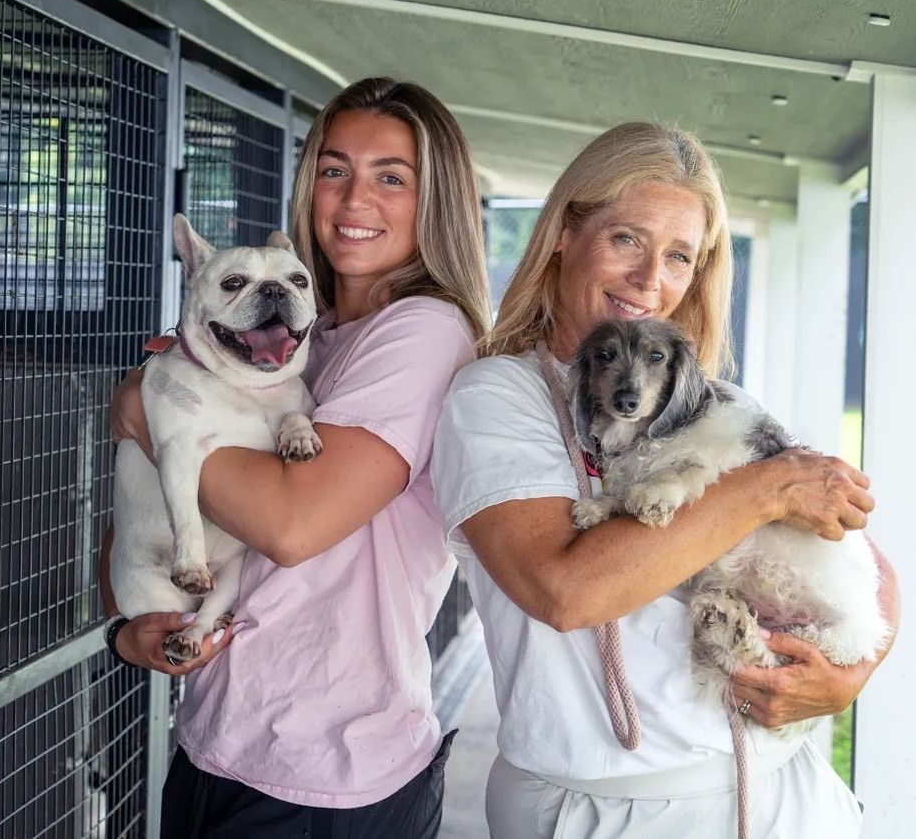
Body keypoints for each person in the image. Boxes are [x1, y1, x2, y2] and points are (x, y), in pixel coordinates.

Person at [431, 121, 900, 838]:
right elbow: (566, 591)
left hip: (780, 794)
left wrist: (852, 669)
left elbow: (865, 558)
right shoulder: (498, 396)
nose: (651, 280)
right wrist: (765, 488)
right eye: (626, 238)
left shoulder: (719, 402)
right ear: (563, 232)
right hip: (597, 808)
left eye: (678, 255)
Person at [100, 77, 492, 837]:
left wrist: (148, 412)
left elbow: (290, 522)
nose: (353, 201)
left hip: (327, 773)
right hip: (219, 738)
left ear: (436, 199)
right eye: (333, 169)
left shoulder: (423, 332)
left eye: (391, 177)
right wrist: (129, 625)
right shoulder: (295, 345)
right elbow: (138, 525)